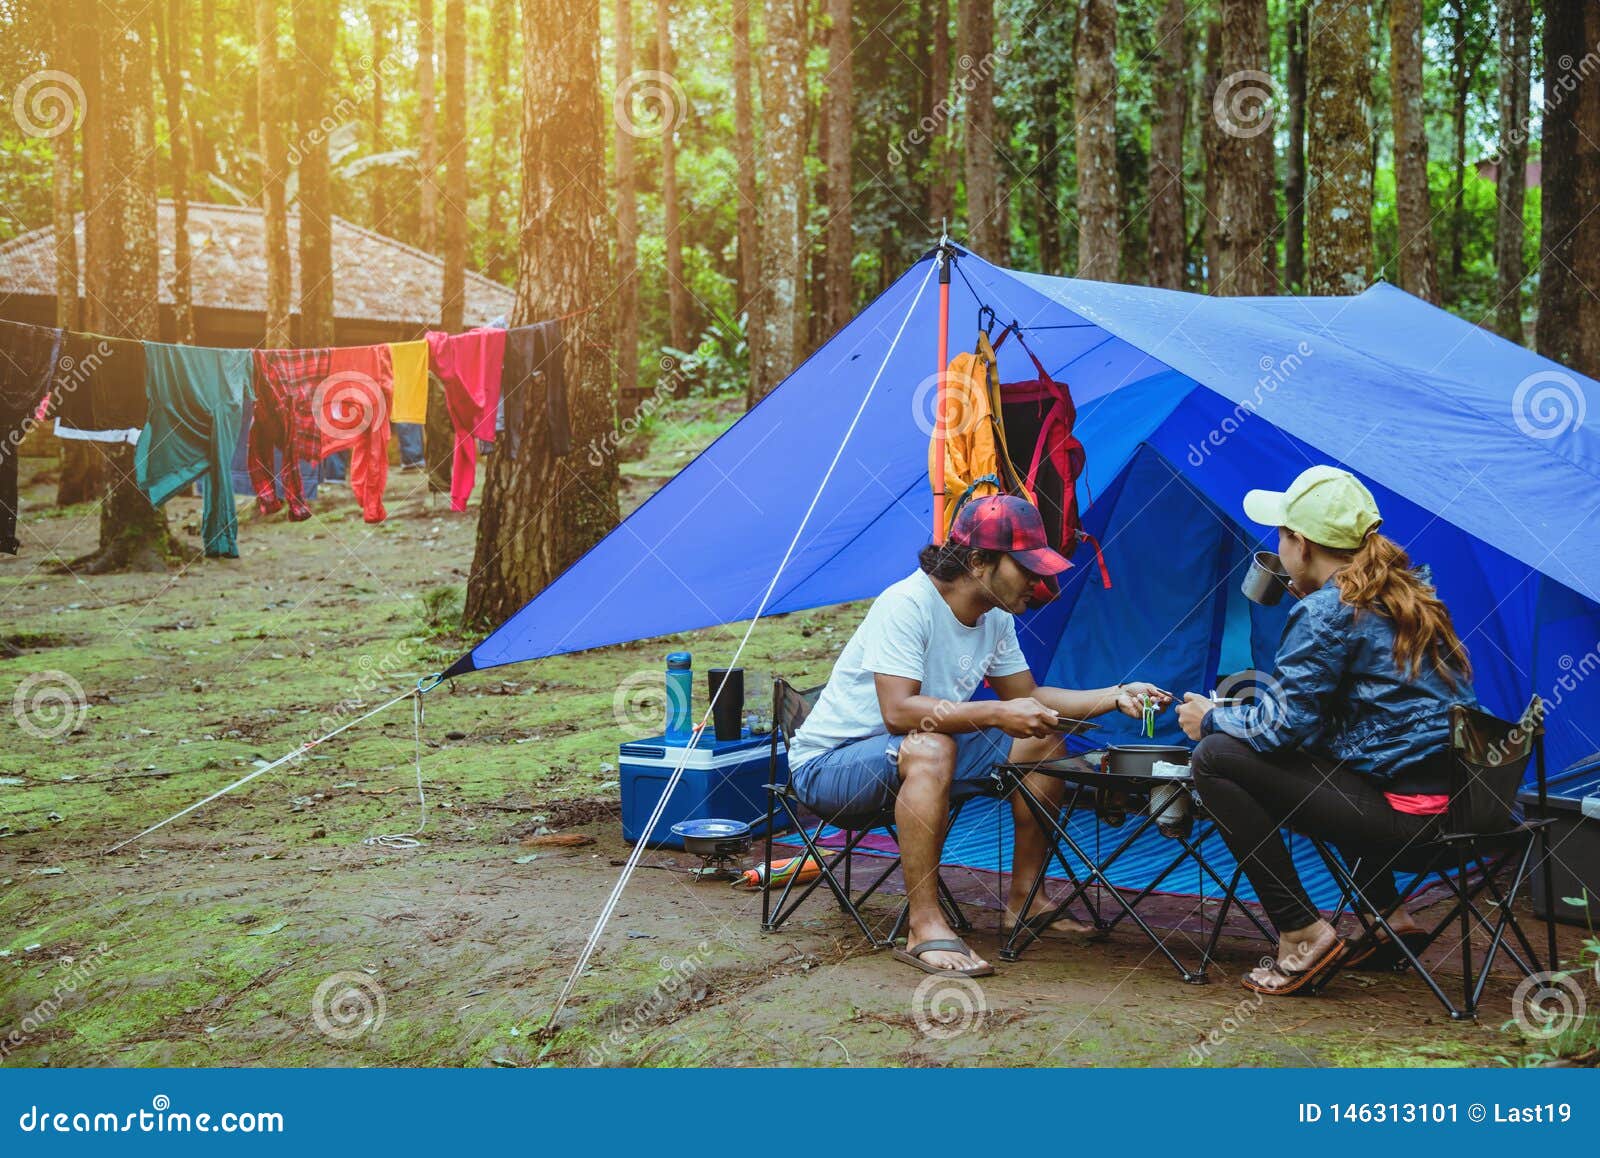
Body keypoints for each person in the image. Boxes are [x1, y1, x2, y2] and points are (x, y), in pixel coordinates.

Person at [788, 494, 1171, 976]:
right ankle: (924, 926)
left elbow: (1029, 696)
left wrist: (1115, 695)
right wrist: (994, 712)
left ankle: (1026, 900)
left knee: (1040, 735)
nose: (1038, 581)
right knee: (931, 745)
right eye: (1026, 568)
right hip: (830, 770)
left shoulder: (995, 617)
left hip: (912, 754)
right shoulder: (907, 604)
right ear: (977, 561)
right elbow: (898, 711)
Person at [1177, 465, 1476, 996]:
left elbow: (1275, 733)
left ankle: (1301, 934)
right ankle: (1389, 918)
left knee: (1217, 757)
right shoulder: (1406, 592)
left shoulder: (1327, 612)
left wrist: (1211, 719)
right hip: (1467, 809)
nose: (1277, 544)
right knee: (1312, 763)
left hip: (1413, 826)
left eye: (1281, 535)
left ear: (1302, 544)